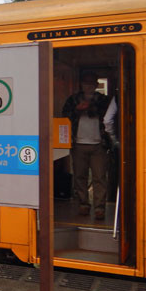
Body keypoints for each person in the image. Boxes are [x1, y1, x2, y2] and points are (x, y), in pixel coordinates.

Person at [62, 71, 117, 221]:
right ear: (81, 84)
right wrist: (77, 110)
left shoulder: (104, 100)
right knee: (80, 176)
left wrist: (88, 107)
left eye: (91, 83)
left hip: (100, 144)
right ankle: (83, 204)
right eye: (86, 83)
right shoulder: (73, 100)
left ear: (96, 85)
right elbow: (64, 117)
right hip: (77, 143)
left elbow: (109, 117)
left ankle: (100, 208)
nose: (88, 86)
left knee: (100, 177)